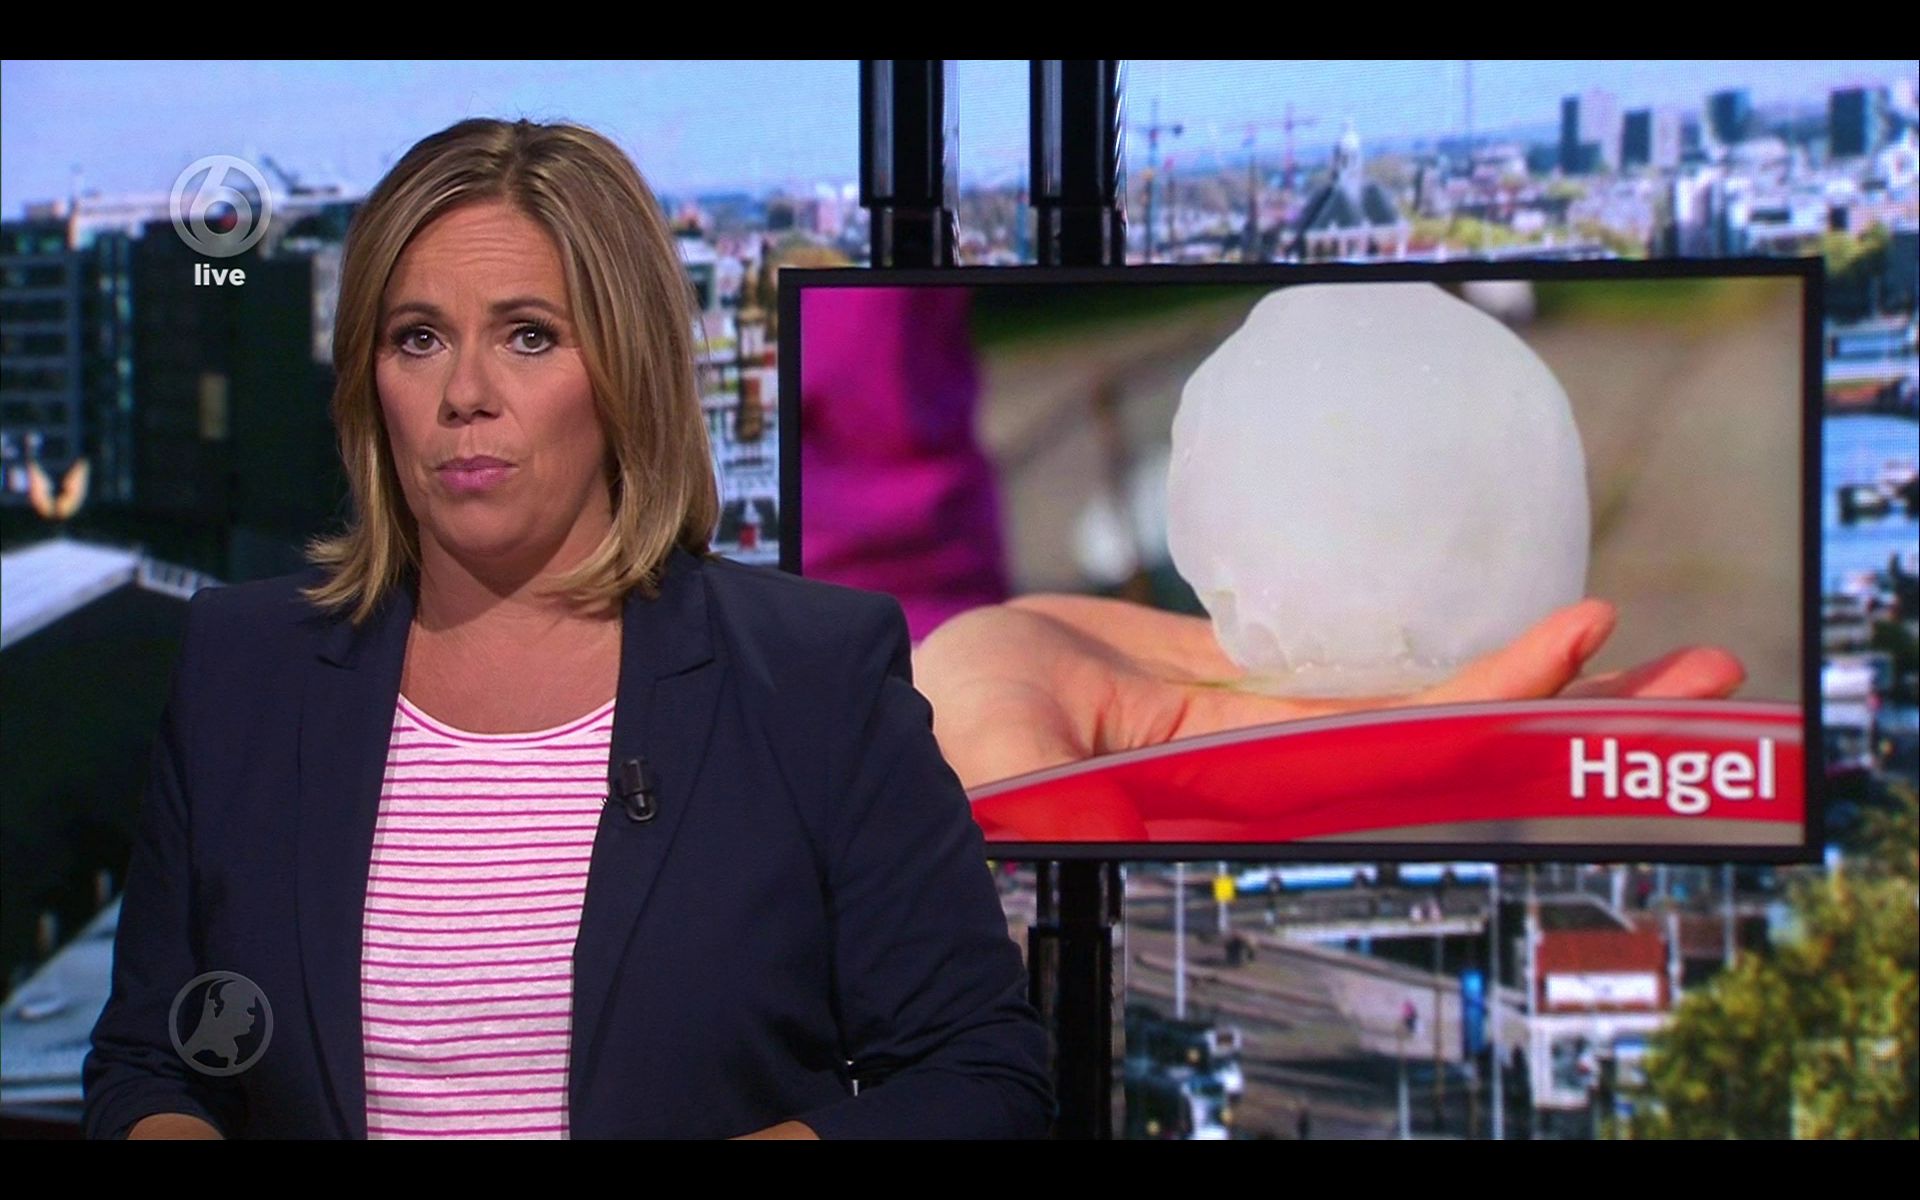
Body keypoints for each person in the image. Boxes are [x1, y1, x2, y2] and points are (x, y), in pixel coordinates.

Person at [81, 117, 1051, 1140]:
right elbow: (151, 1063)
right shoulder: (240, 669)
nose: (465, 395)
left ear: (628, 368)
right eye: (418, 339)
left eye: (529, 336)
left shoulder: (814, 680)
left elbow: (979, 1076)